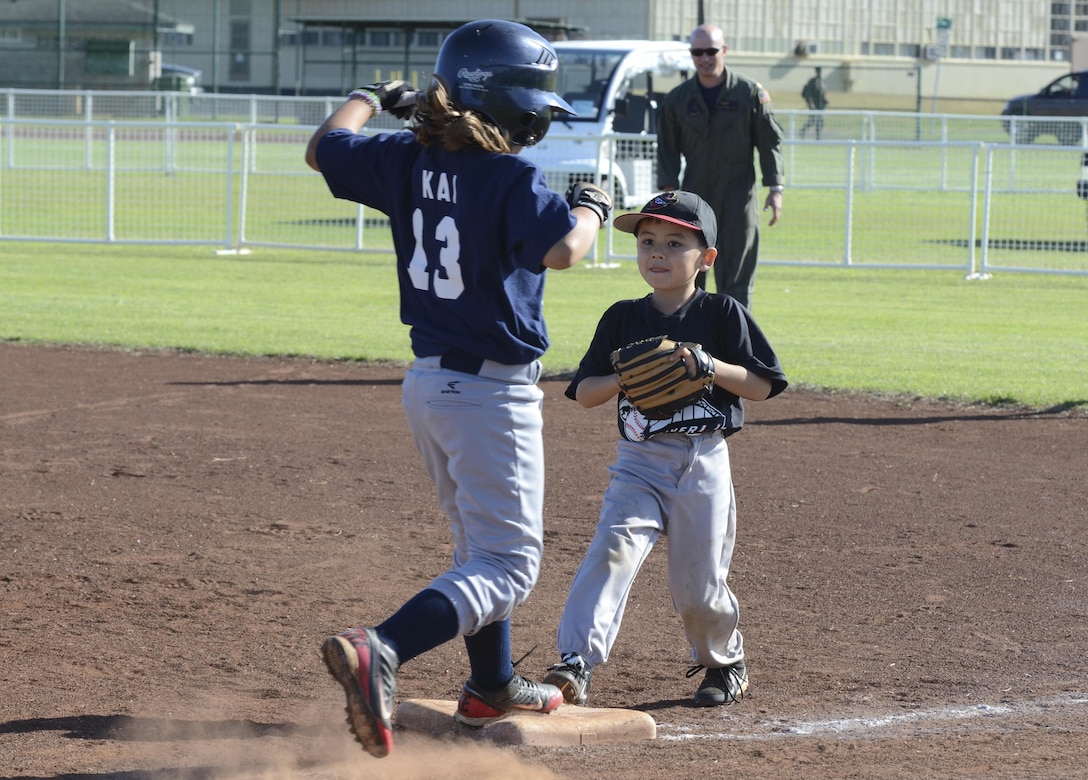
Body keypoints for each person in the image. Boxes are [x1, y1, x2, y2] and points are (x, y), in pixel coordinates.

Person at [304, 19, 611, 758]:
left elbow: (322, 148)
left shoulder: (403, 160)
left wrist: (373, 96)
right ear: (515, 109)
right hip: (489, 394)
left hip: (429, 385)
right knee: (508, 567)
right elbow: (563, 251)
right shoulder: (510, 178)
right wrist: (594, 208)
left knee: (478, 545)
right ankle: (382, 646)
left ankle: (491, 686)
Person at [542, 191, 788, 709]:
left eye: (675, 242)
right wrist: (623, 376)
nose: (657, 252)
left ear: (707, 258)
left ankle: (725, 662)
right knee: (610, 552)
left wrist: (708, 366)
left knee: (697, 585)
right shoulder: (622, 317)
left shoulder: (722, 312)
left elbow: (762, 385)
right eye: (647, 241)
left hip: (703, 459)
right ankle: (575, 662)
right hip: (638, 463)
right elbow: (585, 394)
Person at [656, 23, 785, 309]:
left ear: (724, 50)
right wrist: (667, 200)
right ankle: (687, 345)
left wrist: (775, 188)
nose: (704, 58)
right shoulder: (677, 99)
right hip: (694, 203)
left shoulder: (749, 94)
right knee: (687, 278)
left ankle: (736, 347)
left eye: (711, 51)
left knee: (736, 283)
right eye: (697, 52)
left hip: (739, 199)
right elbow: (666, 151)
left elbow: (769, 143)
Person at [800, 66, 829, 139]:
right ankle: (803, 130)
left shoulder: (822, 81)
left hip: (821, 105)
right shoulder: (812, 82)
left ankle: (818, 136)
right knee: (812, 121)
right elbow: (808, 93)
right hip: (814, 105)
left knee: (821, 121)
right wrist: (810, 103)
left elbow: (822, 94)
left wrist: (825, 100)